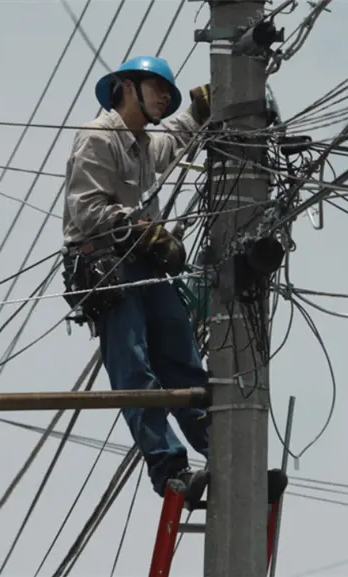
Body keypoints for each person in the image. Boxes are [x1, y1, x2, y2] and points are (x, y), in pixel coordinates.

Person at [61, 55, 213, 498]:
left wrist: (203, 107)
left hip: (142, 263)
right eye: (157, 88)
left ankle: (227, 452)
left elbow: (179, 136)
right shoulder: (97, 137)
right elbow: (85, 211)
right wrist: (144, 230)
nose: (166, 97)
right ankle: (170, 470)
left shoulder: (146, 144)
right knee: (135, 366)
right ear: (126, 87)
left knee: (183, 360)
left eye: (169, 93)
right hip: (105, 263)